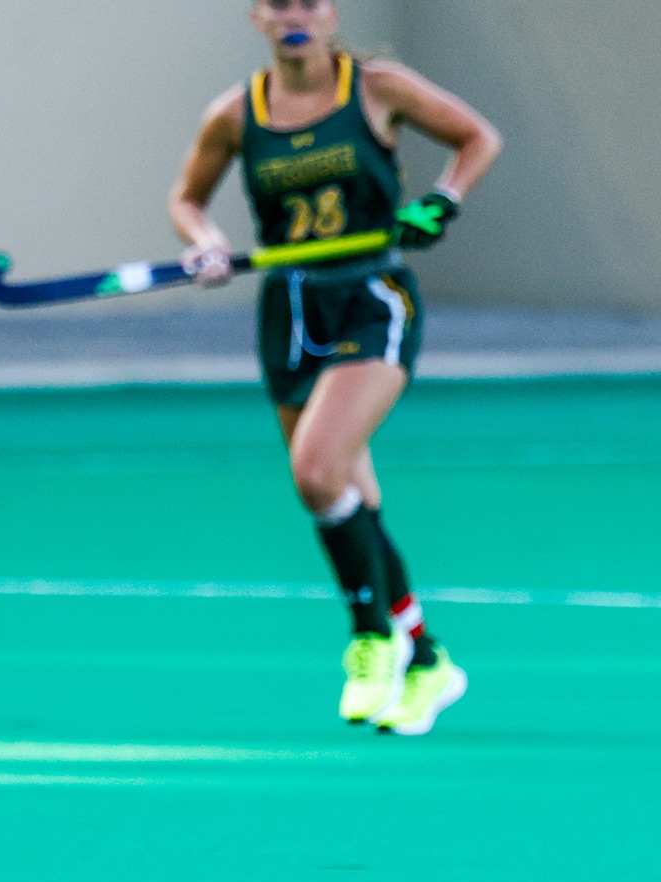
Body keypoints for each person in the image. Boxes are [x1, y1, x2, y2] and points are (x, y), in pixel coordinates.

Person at [169, 0, 501, 733]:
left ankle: (369, 635)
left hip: (372, 296)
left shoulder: (377, 88)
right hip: (290, 309)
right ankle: (427, 660)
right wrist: (206, 244)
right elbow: (188, 200)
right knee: (351, 499)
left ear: (331, 14)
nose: (295, 17)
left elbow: (477, 138)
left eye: (309, 3)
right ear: (257, 17)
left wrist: (442, 202)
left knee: (318, 471)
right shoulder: (235, 114)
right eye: (279, 4)